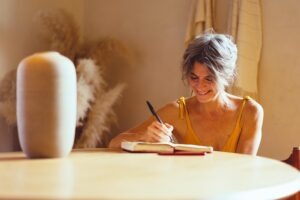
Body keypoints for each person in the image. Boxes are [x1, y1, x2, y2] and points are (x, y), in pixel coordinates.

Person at [109, 33, 264, 155]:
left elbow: (245, 170)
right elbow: (114, 143)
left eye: (209, 78)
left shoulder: (250, 112)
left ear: (226, 76)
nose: (200, 86)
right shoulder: (177, 112)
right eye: (194, 77)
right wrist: (144, 138)